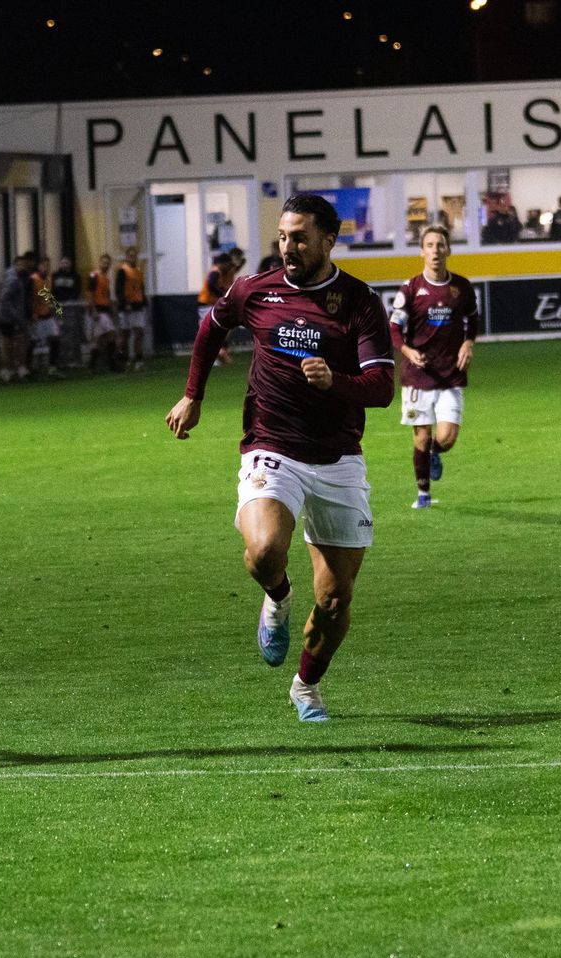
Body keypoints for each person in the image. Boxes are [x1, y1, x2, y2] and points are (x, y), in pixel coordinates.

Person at [165, 193, 394, 724]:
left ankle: (305, 687)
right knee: (266, 549)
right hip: (272, 444)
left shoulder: (359, 302)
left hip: (337, 459)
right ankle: (278, 596)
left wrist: (335, 381)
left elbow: (382, 387)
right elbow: (211, 327)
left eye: (300, 238)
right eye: (284, 237)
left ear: (329, 241)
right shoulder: (255, 290)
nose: (288, 247)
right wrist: (193, 395)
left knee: (335, 600)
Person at [389, 225, 481, 508]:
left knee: (447, 437)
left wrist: (468, 343)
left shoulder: (461, 287)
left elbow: (473, 319)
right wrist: (407, 351)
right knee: (422, 435)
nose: (436, 250)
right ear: (422, 252)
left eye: (440, 245)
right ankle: (423, 495)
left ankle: (434, 453)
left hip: (451, 373)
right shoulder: (411, 288)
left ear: (448, 250)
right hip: (418, 375)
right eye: (430, 245)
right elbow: (394, 329)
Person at [0, 252, 32, 382]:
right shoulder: (14, 280)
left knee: (16, 343)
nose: (23, 267)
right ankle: (11, 370)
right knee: (10, 344)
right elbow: (5, 299)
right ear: (16, 265)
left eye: (24, 264)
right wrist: (16, 315)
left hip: (9, 316)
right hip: (9, 318)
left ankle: (13, 370)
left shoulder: (17, 276)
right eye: (20, 264)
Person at [115, 246, 148, 371]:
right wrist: (125, 303)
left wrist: (145, 303)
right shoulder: (122, 271)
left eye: (134, 255)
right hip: (126, 308)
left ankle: (138, 360)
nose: (132, 258)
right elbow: (119, 290)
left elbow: (141, 288)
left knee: (139, 333)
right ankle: (125, 359)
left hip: (138, 306)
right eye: (130, 255)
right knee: (125, 335)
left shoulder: (138, 271)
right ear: (127, 257)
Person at [86, 253, 118, 371]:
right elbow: (90, 293)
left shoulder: (106, 278)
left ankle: (93, 365)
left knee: (100, 339)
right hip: (99, 311)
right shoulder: (94, 275)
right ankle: (112, 364)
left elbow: (106, 295)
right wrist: (94, 310)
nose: (106, 265)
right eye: (104, 262)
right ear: (99, 263)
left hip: (104, 310)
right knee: (110, 334)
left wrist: (111, 308)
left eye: (108, 263)